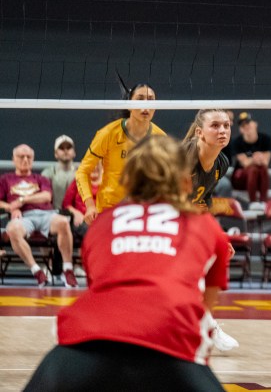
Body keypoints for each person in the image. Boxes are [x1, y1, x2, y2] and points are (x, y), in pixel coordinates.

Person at [23, 136, 230, 392]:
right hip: (170, 348)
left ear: (127, 180)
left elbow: (101, 286)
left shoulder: (102, 223)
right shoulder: (206, 225)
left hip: (83, 345)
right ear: (187, 181)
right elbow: (204, 306)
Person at [181, 108, 237, 353]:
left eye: (226, 125)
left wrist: (218, 236)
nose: (222, 130)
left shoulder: (221, 163)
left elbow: (203, 202)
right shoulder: (184, 159)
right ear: (199, 132)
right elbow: (167, 200)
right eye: (215, 126)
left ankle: (206, 326)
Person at [77, 82, 165, 225]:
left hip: (144, 211)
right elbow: (82, 171)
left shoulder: (160, 138)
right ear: (129, 104)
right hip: (110, 209)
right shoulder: (108, 133)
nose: (146, 105)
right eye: (140, 99)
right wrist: (90, 205)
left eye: (151, 100)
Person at [0, 144, 77, 287]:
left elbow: (46, 196)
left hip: (45, 214)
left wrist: (22, 200)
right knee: (12, 229)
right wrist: (10, 208)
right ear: (13, 159)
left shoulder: (40, 178)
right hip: (23, 217)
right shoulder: (5, 179)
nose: (25, 159)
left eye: (28, 157)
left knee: (63, 222)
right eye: (21, 156)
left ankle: (68, 270)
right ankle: (37, 271)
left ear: (33, 159)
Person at [229, 112, 271, 211]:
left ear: (255, 124)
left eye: (248, 123)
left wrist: (254, 159)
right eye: (243, 125)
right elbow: (245, 163)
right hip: (241, 179)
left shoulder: (266, 139)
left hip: (259, 177)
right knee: (253, 169)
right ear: (240, 129)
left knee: (262, 168)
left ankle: (263, 201)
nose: (246, 127)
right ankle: (253, 201)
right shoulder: (237, 142)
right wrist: (255, 158)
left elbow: (265, 162)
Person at [42, 135, 79, 212]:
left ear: (74, 152)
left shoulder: (82, 173)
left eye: (69, 148)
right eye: (61, 148)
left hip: (79, 215)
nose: (65, 151)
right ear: (55, 154)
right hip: (54, 214)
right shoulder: (47, 173)